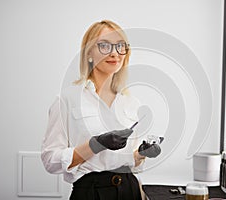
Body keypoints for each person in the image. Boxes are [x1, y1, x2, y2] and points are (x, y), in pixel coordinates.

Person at [41, 20, 162, 200]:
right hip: (91, 192)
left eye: (120, 46)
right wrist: (95, 144)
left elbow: (130, 162)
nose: (114, 53)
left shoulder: (131, 102)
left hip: (130, 190)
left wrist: (142, 154)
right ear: (89, 53)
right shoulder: (67, 99)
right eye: (104, 45)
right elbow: (51, 161)